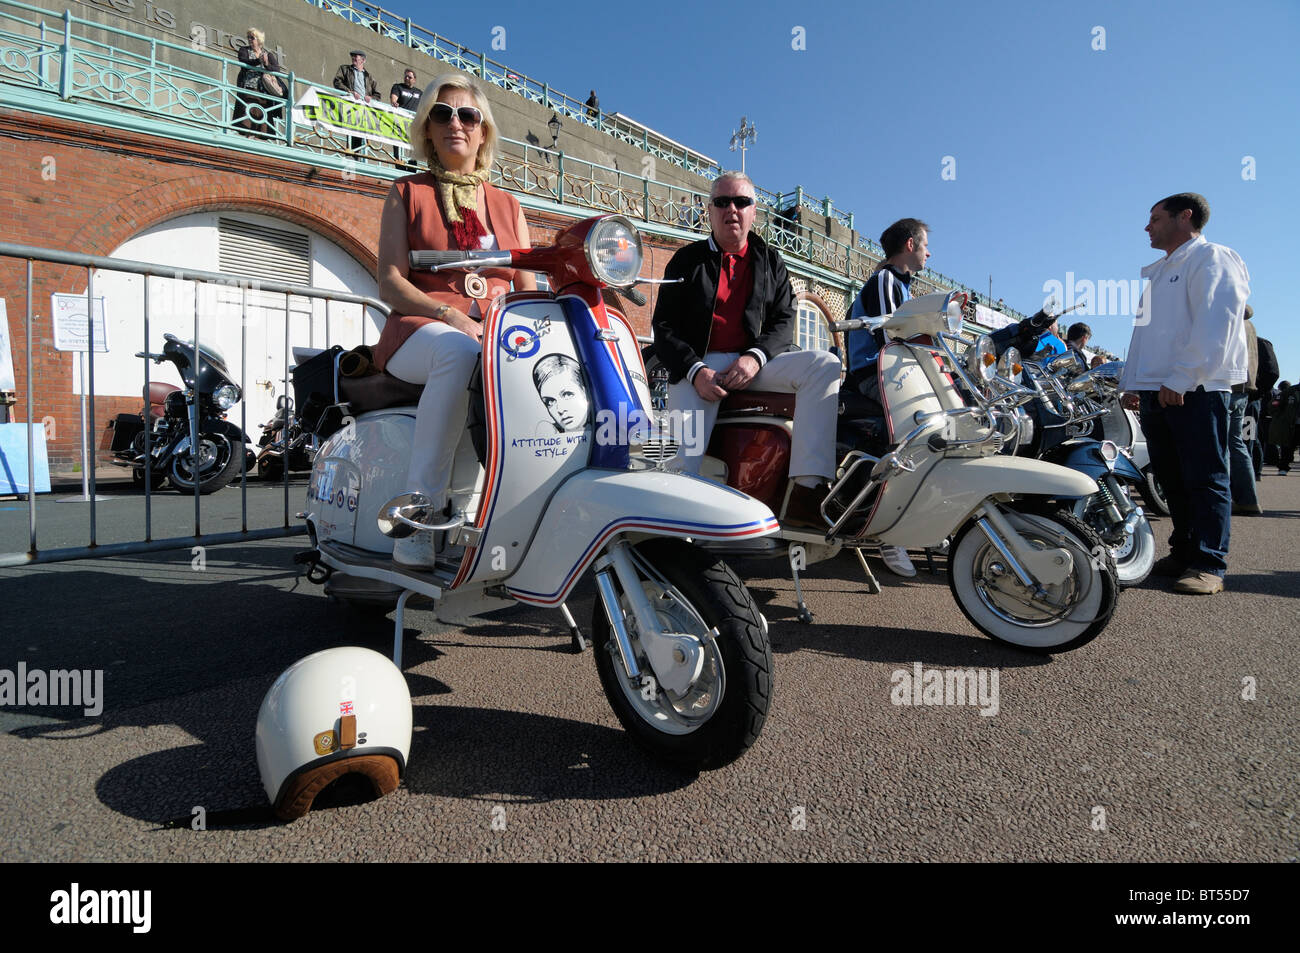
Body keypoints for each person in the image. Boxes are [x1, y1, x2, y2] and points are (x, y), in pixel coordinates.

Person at [371, 74, 536, 568]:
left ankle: (477, 512)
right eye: (441, 114)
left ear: (483, 131)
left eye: (468, 115)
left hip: (496, 335)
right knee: (460, 351)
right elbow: (390, 282)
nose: (455, 124)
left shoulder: (509, 204)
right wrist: (448, 313)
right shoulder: (406, 191)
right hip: (421, 330)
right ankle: (418, 515)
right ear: (427, 129)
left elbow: (527, 285)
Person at [652, 170, 840, 531]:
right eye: (722, 202)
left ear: (755, 212)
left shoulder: (770, 261)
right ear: (709, 211)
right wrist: (695, 370)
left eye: (741, 202)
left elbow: (784, 320)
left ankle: (806, 491)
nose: (732, 209)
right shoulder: (686, 260)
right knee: (680, 460)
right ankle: (672, 536)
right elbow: (663, 326)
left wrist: (755, 357)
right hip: (699, 365)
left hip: (750, 363)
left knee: (825, 364)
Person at [1119, 193, 1249, 595]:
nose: (1147, 227)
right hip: (1159, 389)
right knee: (1172, 477)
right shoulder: (1159, 272)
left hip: (1196, 388)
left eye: (1155, 218)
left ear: (1185, 216)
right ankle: (1184, 549)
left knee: (1205, 476)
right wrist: (1131, 382)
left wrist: (1182, 377)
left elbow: (1217, 323)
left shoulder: (1213, 258)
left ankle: (1210, 562)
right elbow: (1143, 334)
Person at [843, 217, 932, 577]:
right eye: (926, 244)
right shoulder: (886, 280)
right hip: (874, 374)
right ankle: (889, 531)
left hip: (893, 372)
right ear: (910, 245)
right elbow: (890, 338)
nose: (930, 252)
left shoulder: (903, 286)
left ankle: (918, 517)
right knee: (908, 433)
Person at [1229, 305, 1263, 515]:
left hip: (1226, 385)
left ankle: (1223, 500)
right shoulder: (1249, 324)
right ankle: (1247, 499)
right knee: (1235, 442)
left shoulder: (1230, 318)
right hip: (1243, 387)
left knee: (1220, 443)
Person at [232, 28, 282, 138]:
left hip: (263, 90)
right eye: (248, 37)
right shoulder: (244, 50)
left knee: (261, 116)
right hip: (249, 88)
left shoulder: (267, 54)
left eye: (252, 37)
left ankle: (257, 138)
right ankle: (247, 137)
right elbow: (244, 61)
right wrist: (258, 61)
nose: (249, 39)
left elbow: (276, 69)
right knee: (247, 115)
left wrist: (266, 64)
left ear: (258, 40)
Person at [333, 50, 379, 151]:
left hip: (364, 109)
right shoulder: (345, 69)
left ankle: (359, 157)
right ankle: (351, 156)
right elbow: (337, 82)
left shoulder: (368, 76)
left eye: (356, 57)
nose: (353, 58)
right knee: (351, 131)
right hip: (350, 105)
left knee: (362, 134)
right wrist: (350, 92)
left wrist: (370, 98)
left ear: (363, 60)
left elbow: (377, 94)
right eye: (352, 56)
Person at [533, 355, 590, 432]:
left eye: (567, 394)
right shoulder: (546, 433)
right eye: (550, 401)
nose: (560, 409)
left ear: (584, 390)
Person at [390, 68, 421, 165]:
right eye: (405, 76)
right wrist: (394, 102)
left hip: (412, 124)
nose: (407, 78)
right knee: (399, 145)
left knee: (412, 147)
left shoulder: (419, 93)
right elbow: (393, 98)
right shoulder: (398, 87)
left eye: (409, 77)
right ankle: (399, 166)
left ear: (414, 79)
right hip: (400, 122)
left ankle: (412, 169)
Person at [1269, 381, 1299, 474]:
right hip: (1292, 425)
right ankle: (1283, 468)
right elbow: (1273, 405)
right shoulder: (1290, 391)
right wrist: (1281, 418)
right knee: (1287, 446)